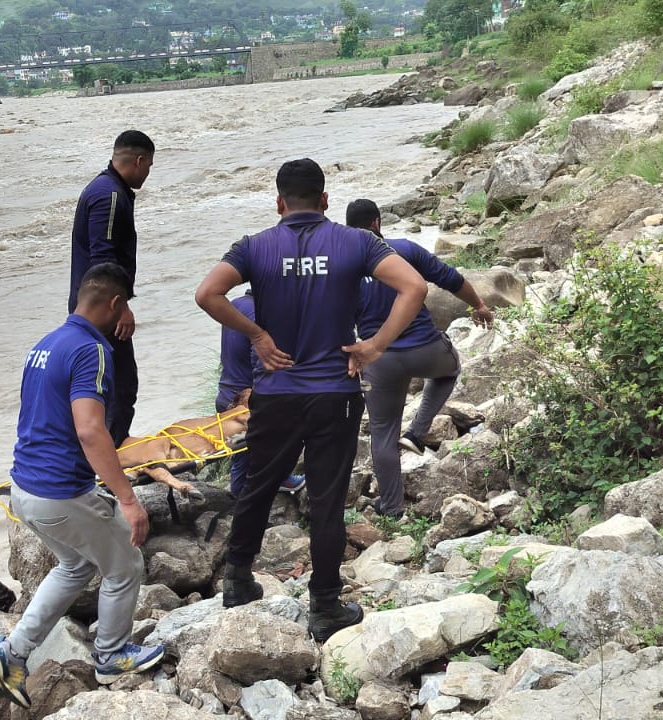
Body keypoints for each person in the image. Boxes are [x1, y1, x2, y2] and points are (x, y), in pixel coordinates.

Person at [193, 159, 428, 642]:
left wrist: (257, 335)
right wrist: (376, 345)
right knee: (325, 499)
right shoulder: (356, 241)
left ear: (279, 203)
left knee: (258, 486)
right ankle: (324, 605)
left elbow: (208, 294)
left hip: (275, 392)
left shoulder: (254, 246)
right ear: (325, 200)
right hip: (333, 394)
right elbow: (415, 286)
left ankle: (237, 580)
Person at [0, 263, 165, 707]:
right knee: (125, 565)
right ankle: (113, 655)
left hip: (24, 489)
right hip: (59, 492)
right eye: (127, 309)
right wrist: (127, 498)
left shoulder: (45, 344)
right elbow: (90, 430)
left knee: (77, 565)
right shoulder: (90, 349)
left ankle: (12, 653)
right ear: (116, 304)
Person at [346, 199, 496, 519]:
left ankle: (391, 507)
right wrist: (479, 305)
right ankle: (417, 430)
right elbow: (450, 278)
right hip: (426, 350)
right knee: (451, 367)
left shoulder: (344, 266)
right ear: (376, 223)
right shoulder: (405, 250)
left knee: (383, 433)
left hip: (378, 359)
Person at [69, 130, 155, 446]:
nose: (148, 173)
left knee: (99, 385)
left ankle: (102, 452)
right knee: (120, 385)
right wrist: (121, 307)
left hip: (94, 308)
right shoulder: (109, 196)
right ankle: (113, 453)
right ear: (138, 160)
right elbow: (102, 255)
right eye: (149, 166)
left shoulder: (107, 188)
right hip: (101, 311)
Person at [215, 287, 305, 499]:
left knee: (242, 453)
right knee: (291, 434)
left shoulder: (235, 304)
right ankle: (255, 495)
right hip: (248, 399)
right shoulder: (262, 314)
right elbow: (263, 364)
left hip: (227, 392)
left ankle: (245, 492)